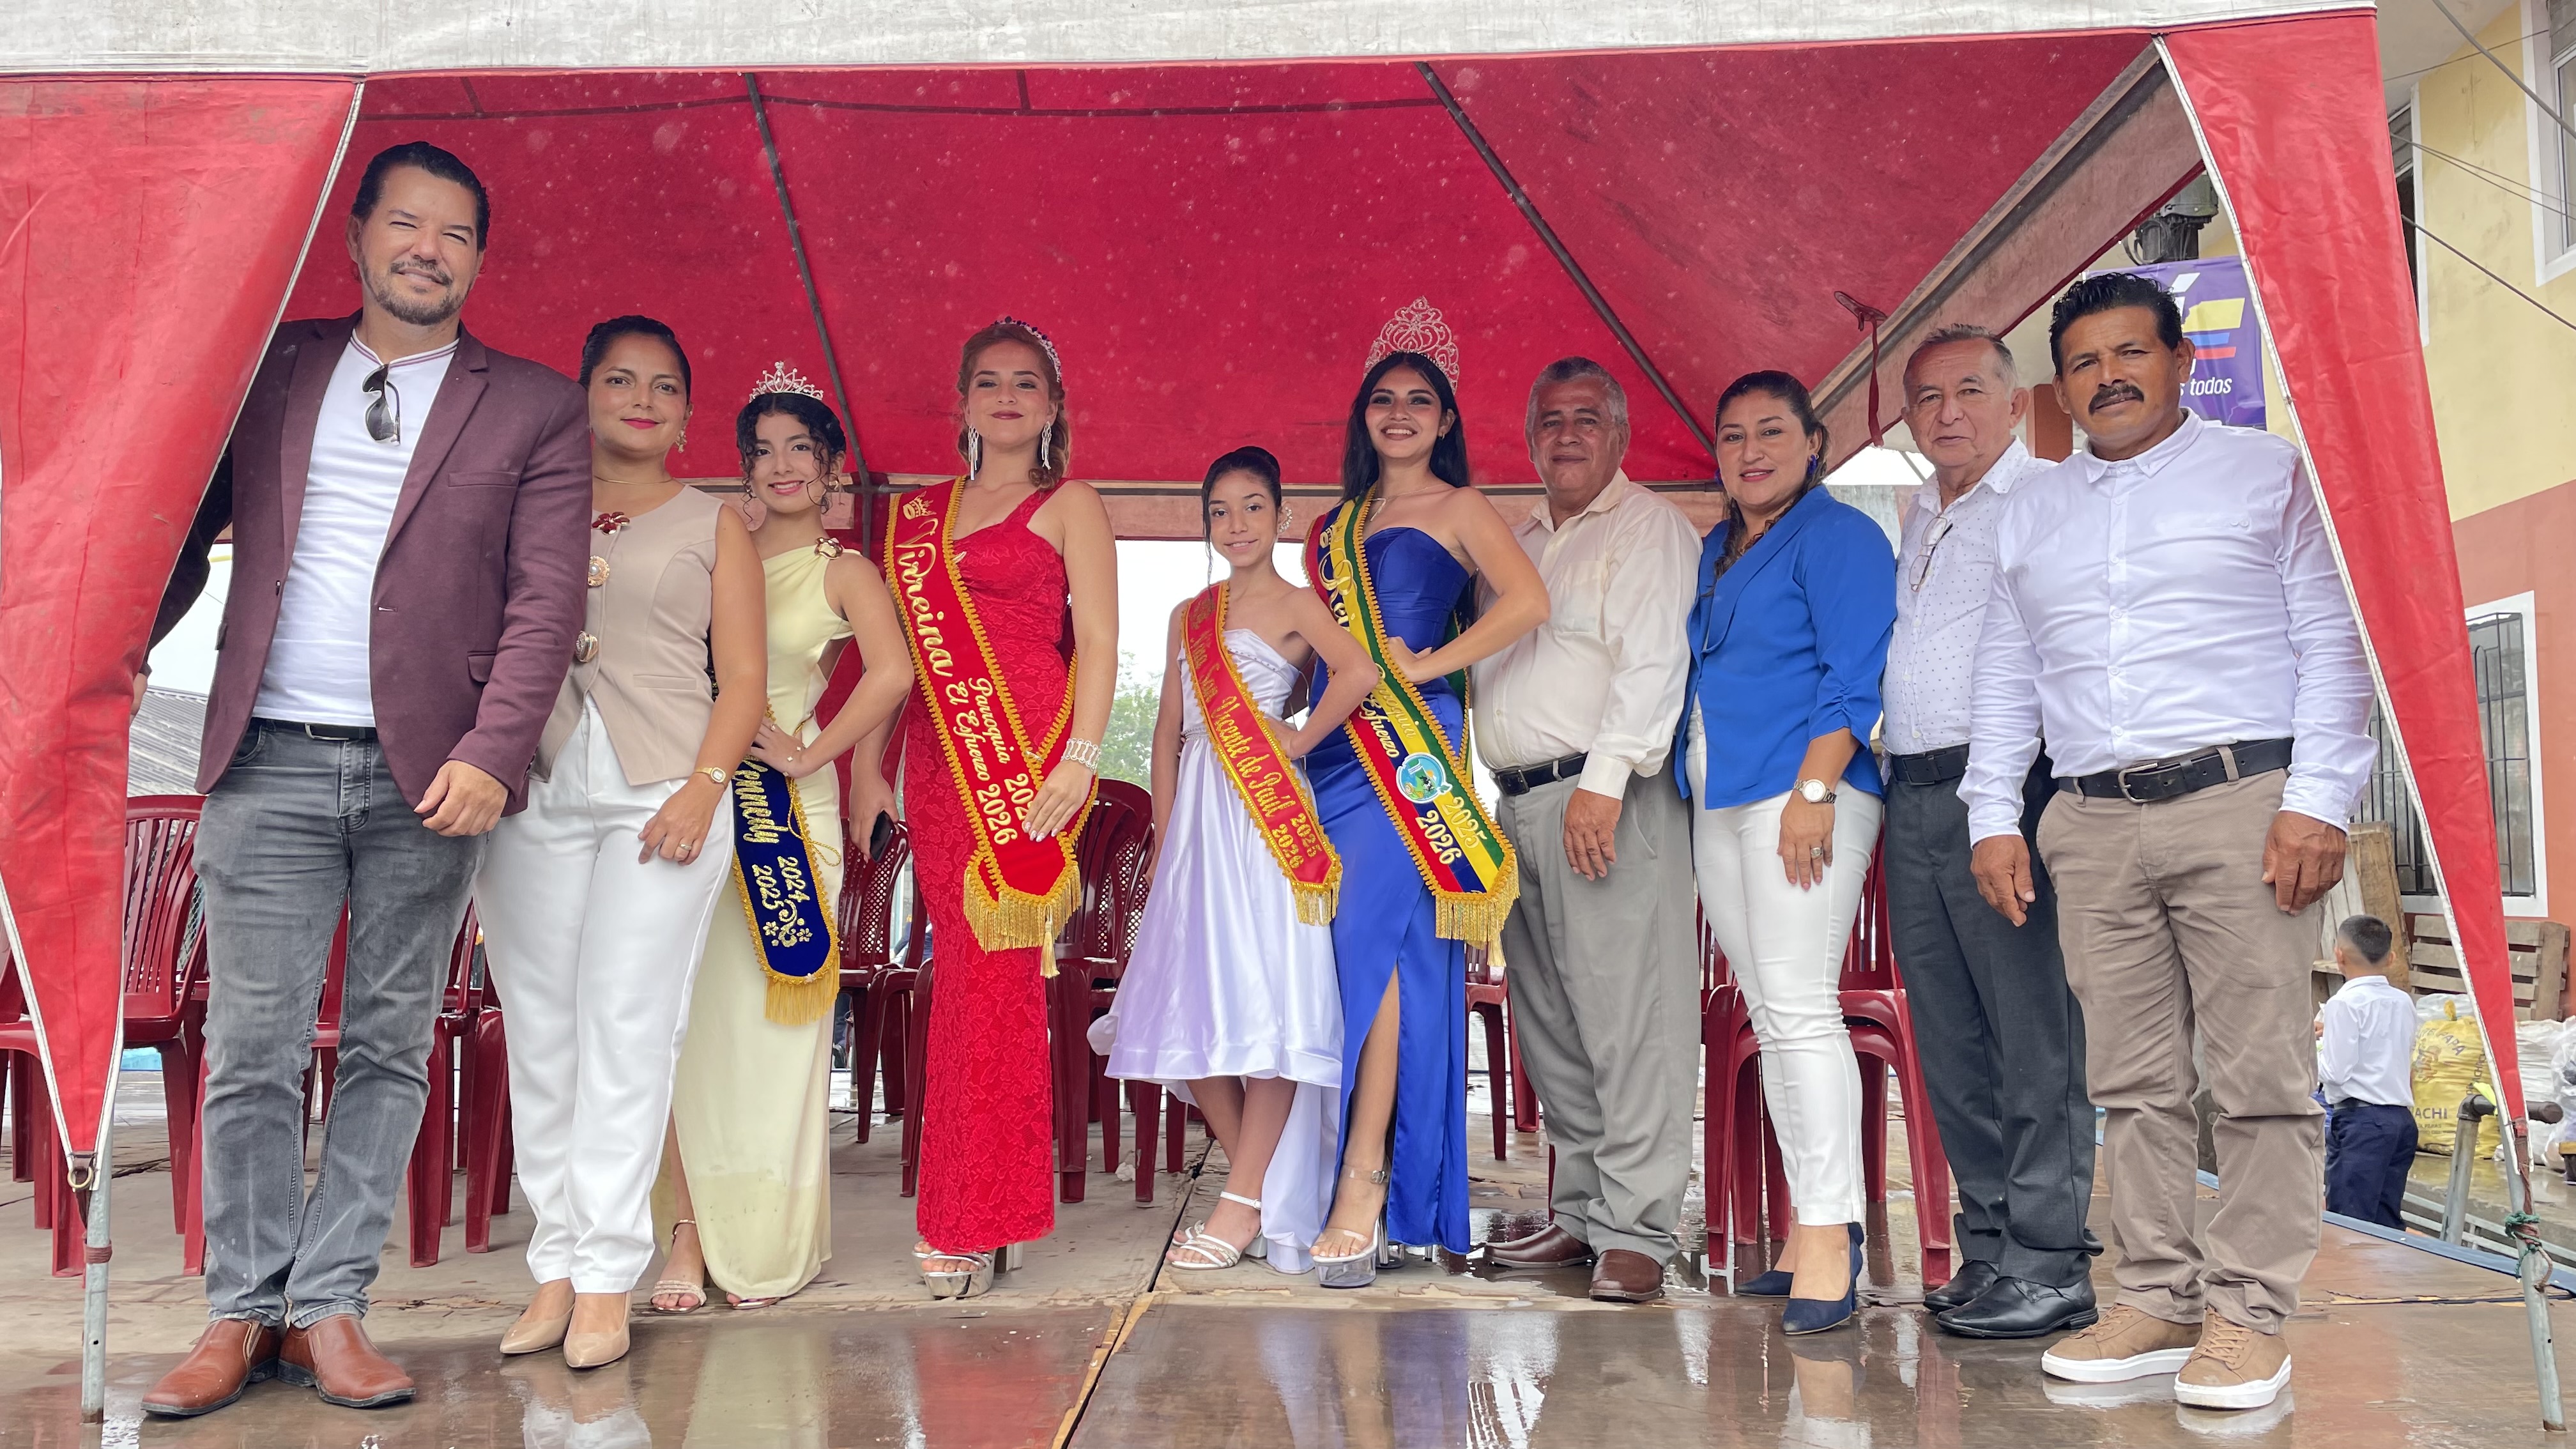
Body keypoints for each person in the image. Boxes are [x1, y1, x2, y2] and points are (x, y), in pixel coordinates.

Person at [137, 142, 591, 1418]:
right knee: (253, 1049)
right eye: (405, 224)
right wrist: (104, 657)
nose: (427, 250)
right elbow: (171, 529)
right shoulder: (272, 367)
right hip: (265, 757)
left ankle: (330, 1305)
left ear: (478, 259)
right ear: (357, 236)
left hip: (431, 773)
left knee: (390, 1047)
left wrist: (493, 751)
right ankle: (243, 1308)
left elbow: (546, 602)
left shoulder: (535, 407)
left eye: (454, 233)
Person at [1969, 272, 2373, 1412]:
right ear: (2059, 388)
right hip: (2089, 818)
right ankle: (2155, 1295)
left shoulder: (2265, 474)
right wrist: (1993, 814)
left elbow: (2331, 637)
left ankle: (2249, 1314)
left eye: (2130, 353)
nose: (2109, 377)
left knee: (2258, 1077)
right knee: (2131, 1080)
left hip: (2241, 801)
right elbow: (2007, 669)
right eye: (2084, 364)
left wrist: (2320, 798)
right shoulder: (2030, 511)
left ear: (2180, 360)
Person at [471, 315, 766, 1369]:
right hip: (532, 788)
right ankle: (555, 1265)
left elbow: (744, 680)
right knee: (542, 1029)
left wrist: (704, 788)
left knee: (629, 1025)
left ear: (686, 414)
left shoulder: (714, 521)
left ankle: (606, 1273)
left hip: (663, 793)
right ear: (582, 394)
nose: (644, 400)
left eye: (666, 386)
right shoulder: (527, 504)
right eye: (621, 380)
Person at [650, 373, 914, 1312]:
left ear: (832, 465)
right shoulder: (711, 545)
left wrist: (814, 752)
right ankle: (687, 1235)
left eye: (800, 448)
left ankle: (766, 1242)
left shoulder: (844, 571)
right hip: (689, 796)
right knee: (680, 1028)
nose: (782, 465)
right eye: (762, 450)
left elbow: (894, 673)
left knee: (773, 1036)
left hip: (785, 814)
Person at [1303, 304, 1549, 1287]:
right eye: (1384, 399)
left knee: (1380, 950)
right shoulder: (1335, 527)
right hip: (1334, 745)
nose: (1399, 413)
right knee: (1363, 950)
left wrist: (1431, 662)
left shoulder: (1461, 506)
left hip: (1411, 749)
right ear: (1363, 416)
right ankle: (1397, 1193)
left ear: (1445, 420)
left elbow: (1529, 602)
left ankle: (1367, 1181)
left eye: (1419, 400)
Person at [1095, 447, 1376, 1272]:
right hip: (1198, 824)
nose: (1236, 524)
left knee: (1272, 1000)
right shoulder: (1190, 613)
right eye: (1219, 511)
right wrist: (1166, 834)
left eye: (1253, 507)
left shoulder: (1297, 603)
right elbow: (1167, 734)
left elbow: (1358, 671)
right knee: (1188, 1004)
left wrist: (1301, 738)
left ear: (1281, 515)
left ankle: (1242, 1199)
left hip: (1266, 818)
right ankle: (1264, 1188)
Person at [887, 318, 1117, 1298]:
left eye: (1028, 383)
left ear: (1053, 405)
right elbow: (897, 655)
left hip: (1027, 760)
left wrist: (1080, 760)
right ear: (965, 402)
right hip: (943, 758)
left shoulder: (1071, 504)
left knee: (998, 976)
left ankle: (973, 1214)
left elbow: (1099, 641)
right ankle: (986, 1206)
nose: (1009, 397)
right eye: (990, 381)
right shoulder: (917, 516)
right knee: (963, 976)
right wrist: (875, 769)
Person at [1878, 326, 2099, 1340]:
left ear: (2016, 403)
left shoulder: (2050, 497)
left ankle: (2053, 1261)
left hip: (2008, 789)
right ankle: (1994, 1245)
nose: (1948, 412)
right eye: (1927, 398)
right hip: (1912, 791)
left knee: (2031, 1033)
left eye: (1970, 390)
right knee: (1951, 1035)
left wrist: (2005, 803)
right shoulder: (1919, 513)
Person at [1472, 358, 1700, 1304]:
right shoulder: (1516, 541)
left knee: (1629, 1018)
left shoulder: (1648, 527)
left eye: (1586, 419)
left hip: (1604, 794)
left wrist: (1602, 788)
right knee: (1552, 1020)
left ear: (1620, 434)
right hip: (1516, 802)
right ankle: (1582, 1212)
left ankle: (1639, 1229)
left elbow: (1654, 666)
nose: (1566, 435)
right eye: (1550, 420)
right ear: (1530, 437)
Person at [1680, 370, 1895, 1336]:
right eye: (1733, 436)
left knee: (1801, 1007)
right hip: (1720, 794)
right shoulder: (1714, 549)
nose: (1751, 450)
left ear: (1815, 443)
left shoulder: (1841, 536)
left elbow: (1855, 675)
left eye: (1772, 431)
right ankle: (1820, 1226)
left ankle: (1829, 1235)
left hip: (1801, 791)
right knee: (1772, 1014)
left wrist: (1814, 794)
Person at [2319, 915, 2418, 1230]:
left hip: (2362, 1123)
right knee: (2386, 1221)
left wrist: (2306, 1053)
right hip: (2400, 1121)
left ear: (2339, 955)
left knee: (2350, 1223)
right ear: (2391, 957)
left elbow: (2335, 1073)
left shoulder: (2343, 1004)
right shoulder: (2403, 1001)